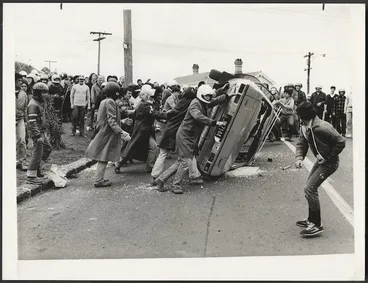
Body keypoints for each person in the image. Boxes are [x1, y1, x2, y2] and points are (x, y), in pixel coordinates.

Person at [165, 83, 233, 194]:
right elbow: (198, 116)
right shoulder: (195, 104)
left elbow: (213, 99)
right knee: (185, 162)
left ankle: (161, 179)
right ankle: (175, 185)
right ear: (202, 95)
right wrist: (214, 123)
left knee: (181, 161)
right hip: (185, 136)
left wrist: (224, 94)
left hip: (189, 136)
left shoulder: (203, 102)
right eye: (207, 96)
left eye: (209, 96)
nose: (209, 98)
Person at [295, 101, 345, 237]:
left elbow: (341, 141)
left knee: (309, 189)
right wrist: (299, 158)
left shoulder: (321, 127)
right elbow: (302, 142)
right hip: (321, 160)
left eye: (299, 114)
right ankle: (311, 219)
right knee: (308, 188)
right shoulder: (305, 126)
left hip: (329, 163)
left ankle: (316, 224)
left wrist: (327, 157)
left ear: (303, 116)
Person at [150, 86, 200, 189]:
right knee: (188, 155)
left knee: (163, 153)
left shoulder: (181, 103)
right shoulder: (193, 104)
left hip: (171, 131)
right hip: (182, 132)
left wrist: (154, 113)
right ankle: (194, 175)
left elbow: (169, 115)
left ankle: (155, 176)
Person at [85, 82, 131, 188]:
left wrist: (122, 122)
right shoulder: (110, 102)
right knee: (104, 156)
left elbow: (106, 118)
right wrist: (122, 132)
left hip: (103, 131)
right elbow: (111, 120)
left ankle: (99, 178)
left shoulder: (104, 101)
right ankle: (98, 180)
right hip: (107, 133)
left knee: (103, 156)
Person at [115, 85, 159, 173]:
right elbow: (155, 113)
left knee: (151, 147)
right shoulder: (144, 104)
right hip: (141, 130)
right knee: (132, 148)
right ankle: (119, 164)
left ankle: (150, 167)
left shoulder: (143, 103)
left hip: (144, 129)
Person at [26, 82, 53, 185]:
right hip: (37, 132)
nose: (46, 94)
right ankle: (31, 176)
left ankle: (37, 169)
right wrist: (38, 136)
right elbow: (32, 122)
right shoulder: (33, 104)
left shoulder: (40, 102)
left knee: (47, 148)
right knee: (37, 153)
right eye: (44, 92)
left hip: (41, 131)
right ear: (38, 92)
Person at [16, 73, 29, 171]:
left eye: (21, 80)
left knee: (22, 139)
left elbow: (25, 108)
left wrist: (25, 120)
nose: (20, 82)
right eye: (19, 80)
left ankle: (22, 161)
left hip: (20, 119)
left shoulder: (23, 94)